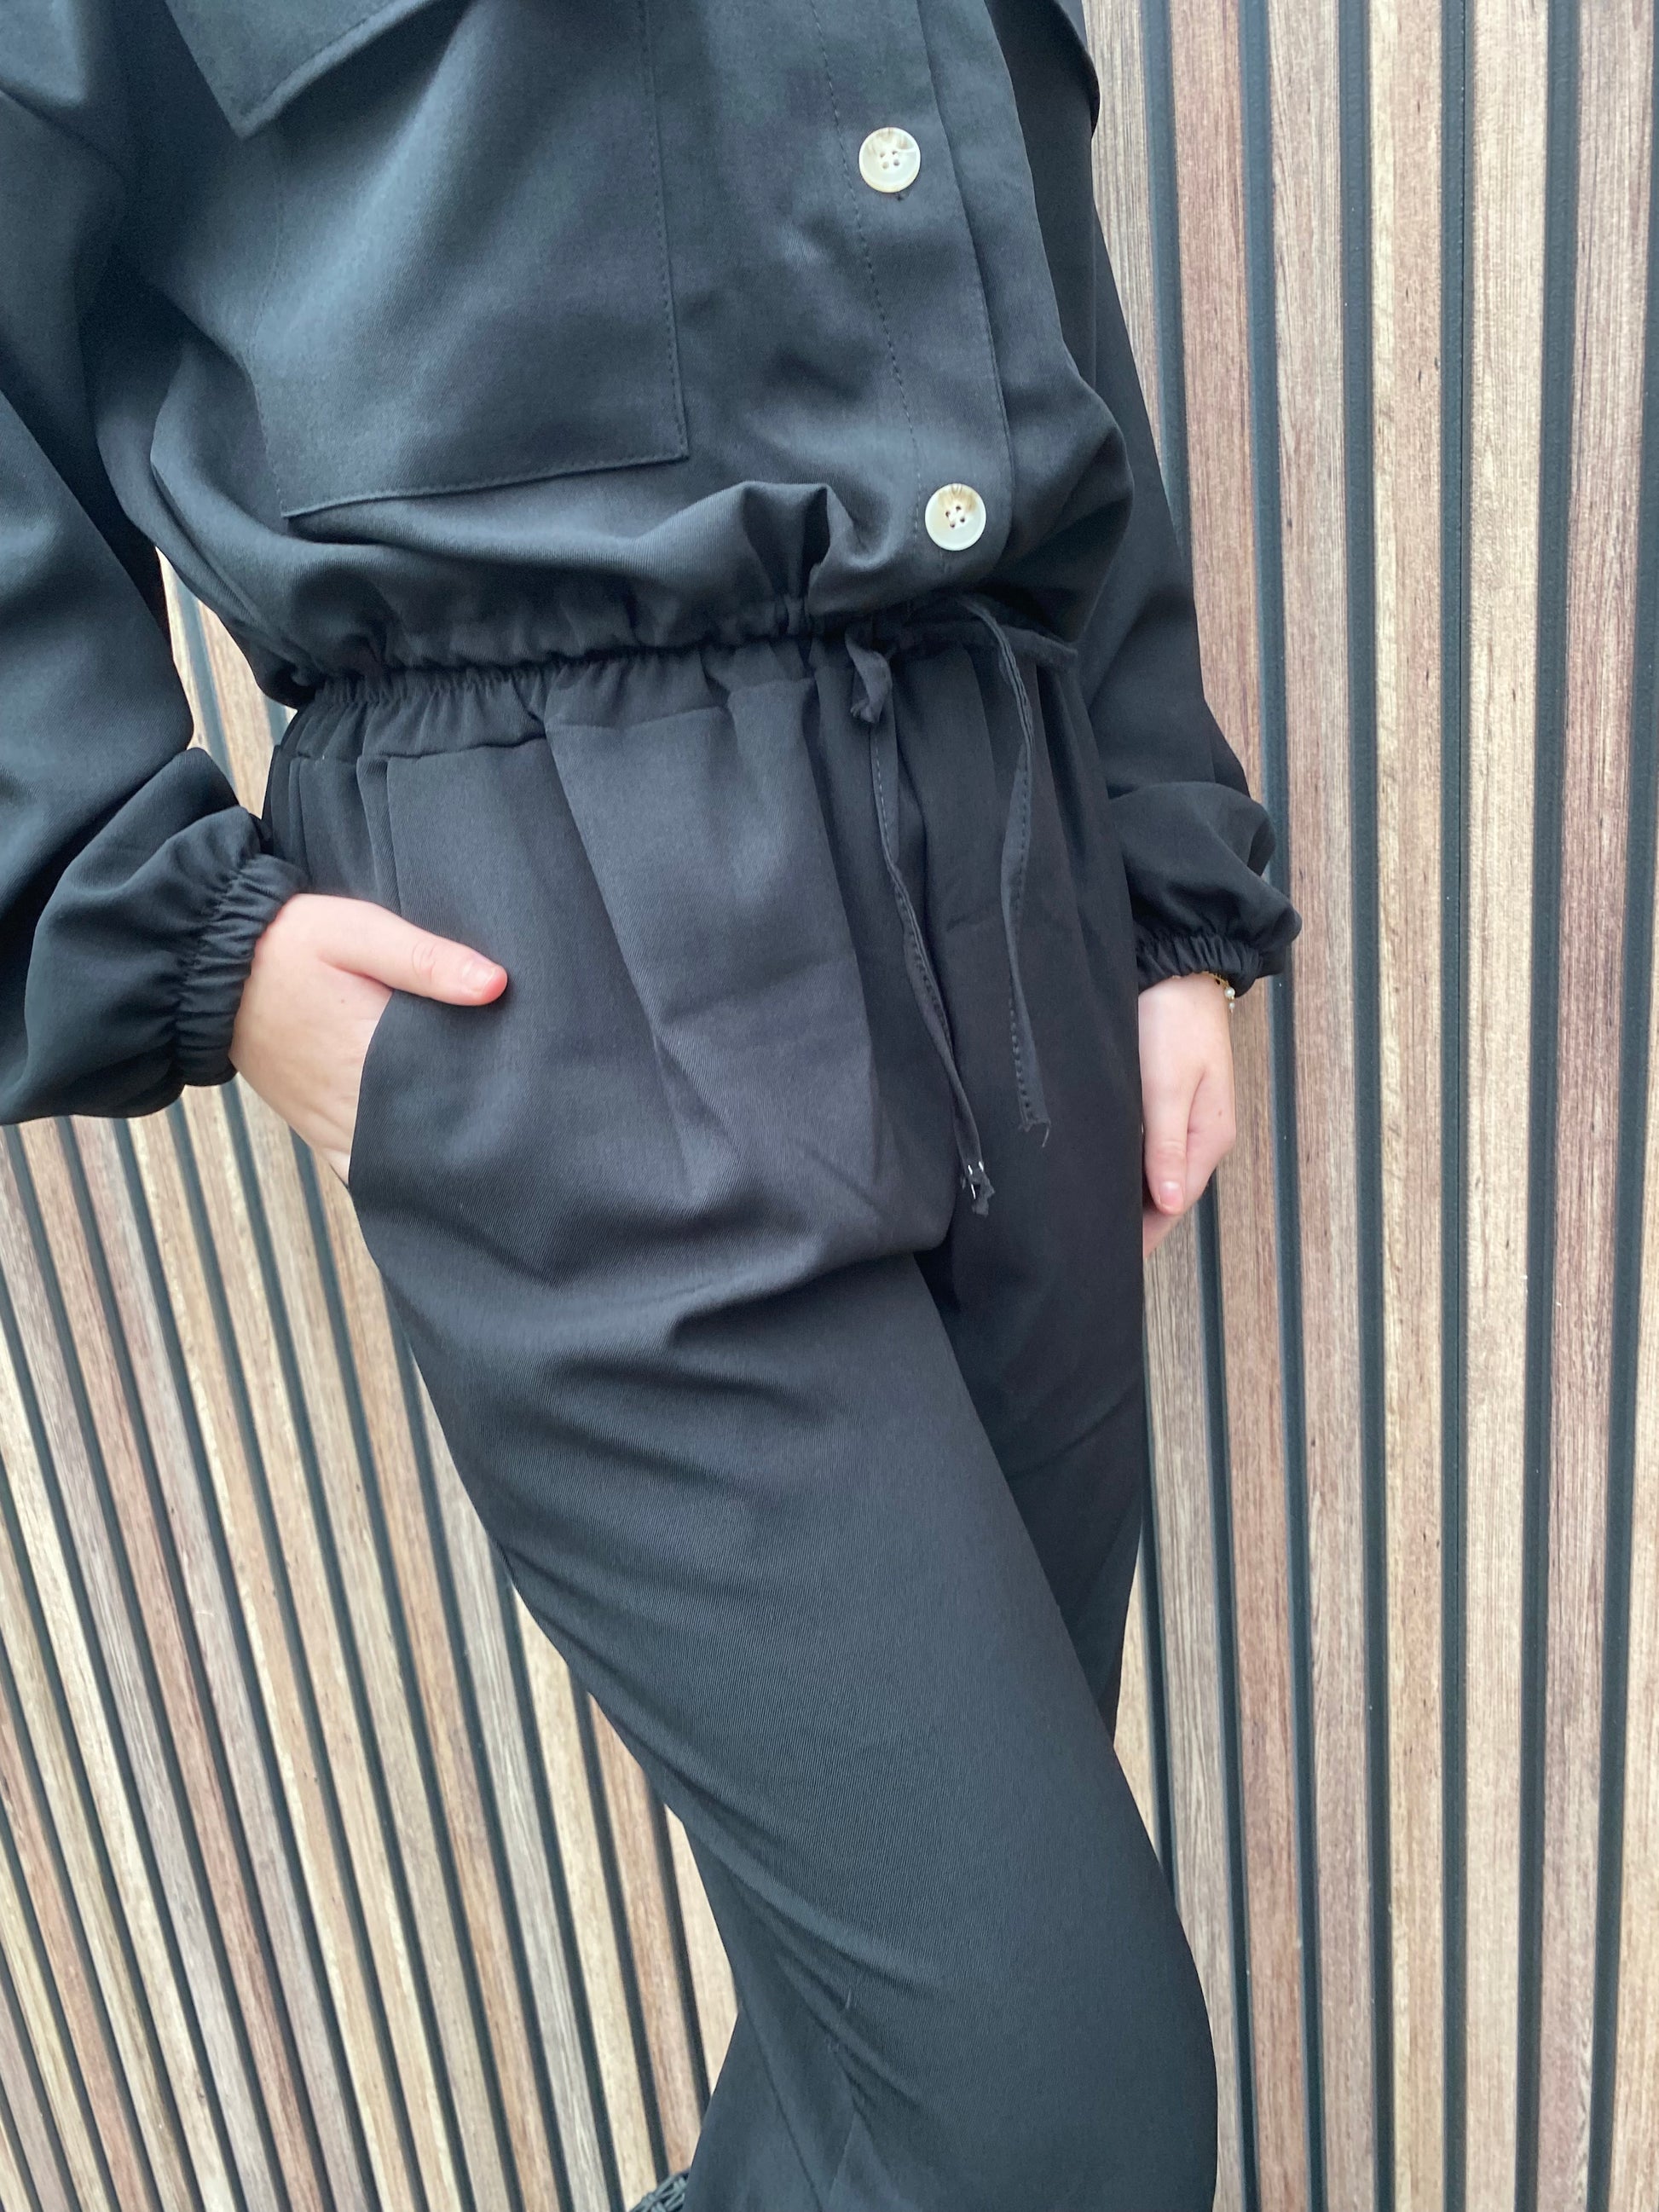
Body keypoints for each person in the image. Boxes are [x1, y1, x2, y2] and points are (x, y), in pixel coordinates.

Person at [0, 3, 1302, 2206]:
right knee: (1049, 2114)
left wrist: (1166, 872)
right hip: (555, 932)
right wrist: (154, 920)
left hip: (1016, 854)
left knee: (878, 2063)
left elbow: (1023, 263)